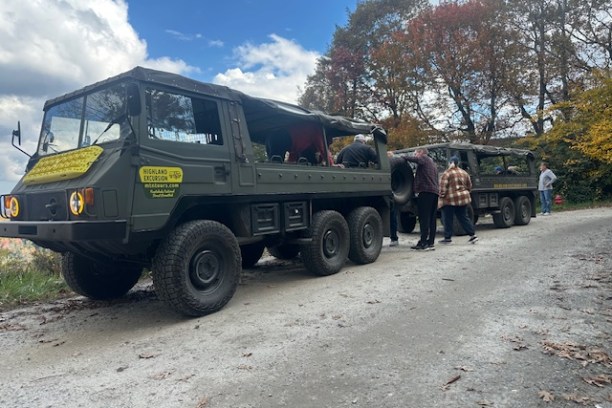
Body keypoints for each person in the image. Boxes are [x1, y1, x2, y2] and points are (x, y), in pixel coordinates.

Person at [402, 148, 439, 251]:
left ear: (421, 153)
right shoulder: (433, 163)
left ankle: (423, 243)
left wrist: (403, 157)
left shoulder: (424, 159)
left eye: (415, 153)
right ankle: (430, 241)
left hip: (425, 192)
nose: (415, 155)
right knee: (432, 218)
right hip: (434, 192)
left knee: (424, 217)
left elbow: (418, 160)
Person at [438, 156, 478, 244]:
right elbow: (469, 186)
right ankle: (472, 235)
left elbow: (442, 188)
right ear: (458, 163)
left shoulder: (447, 173)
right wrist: (465, 192)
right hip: (463, 198)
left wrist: (441, 197)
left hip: (450, 199)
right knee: (463, 217)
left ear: (449, 163)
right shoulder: (464, 172)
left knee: (447, 218)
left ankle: (447, 238)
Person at [387, 151, 402, 247]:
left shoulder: (389, 167)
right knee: (393, 217)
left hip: (391, 195)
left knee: (392, 217)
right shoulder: (398, 169)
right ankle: (394, 238)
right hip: (394, 194)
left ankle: (394, 238)